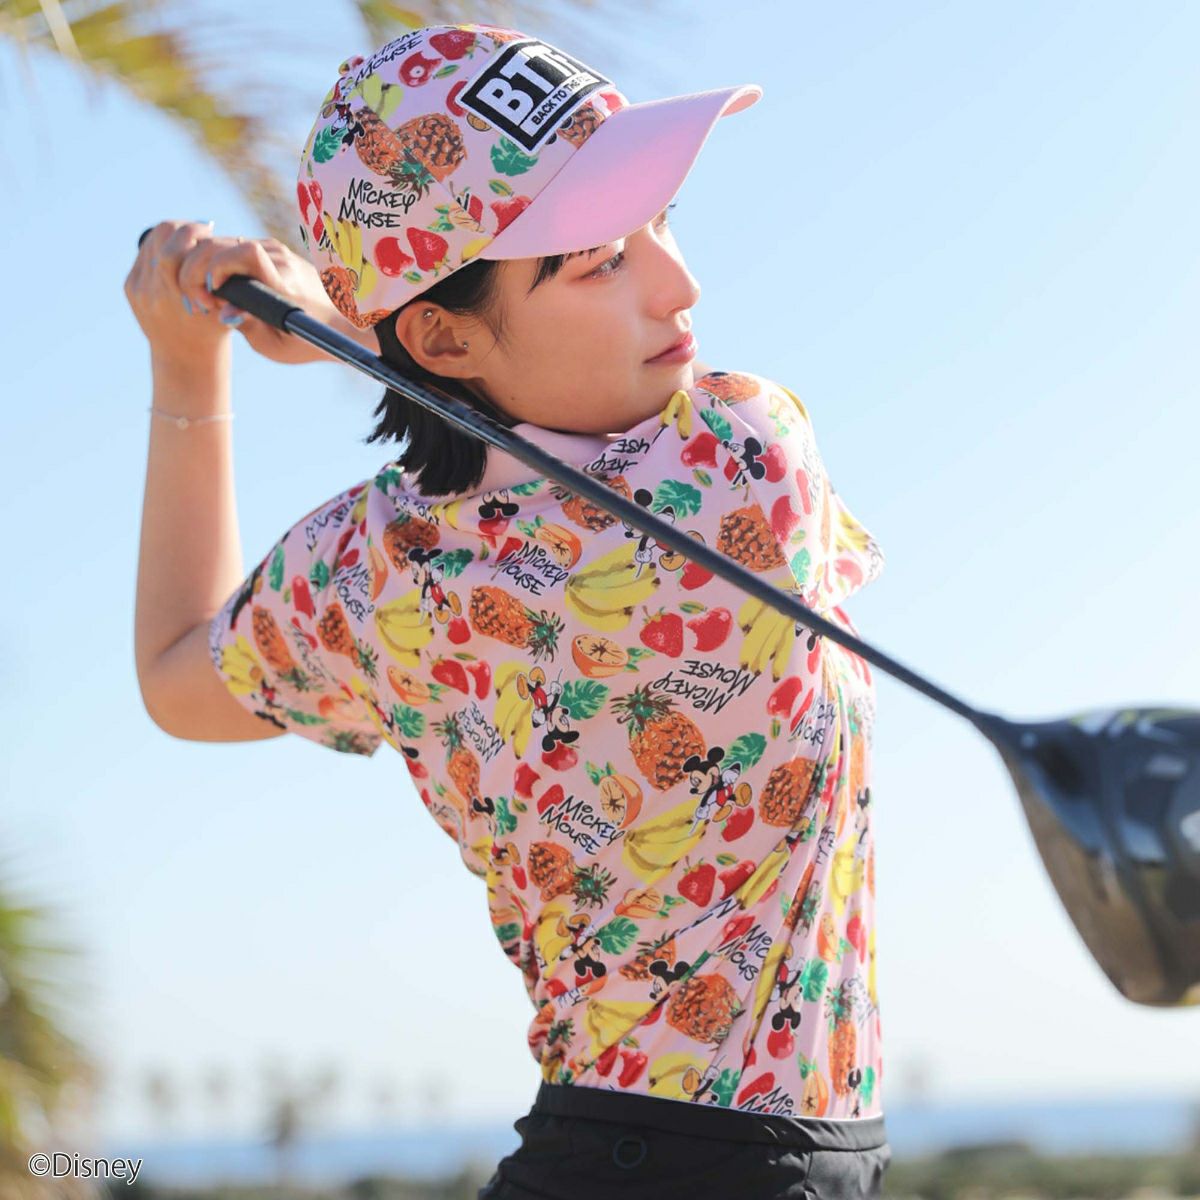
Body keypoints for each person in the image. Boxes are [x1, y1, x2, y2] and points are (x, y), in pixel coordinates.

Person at [125, 21, 890, 1199]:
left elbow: (179, 676)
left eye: (663, 223)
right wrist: (340, 328)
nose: (679, 286)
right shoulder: (745, 458)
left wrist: (191, 370)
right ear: (439, 331)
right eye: (601, 261)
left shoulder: (370, 568)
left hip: (610, 1153)